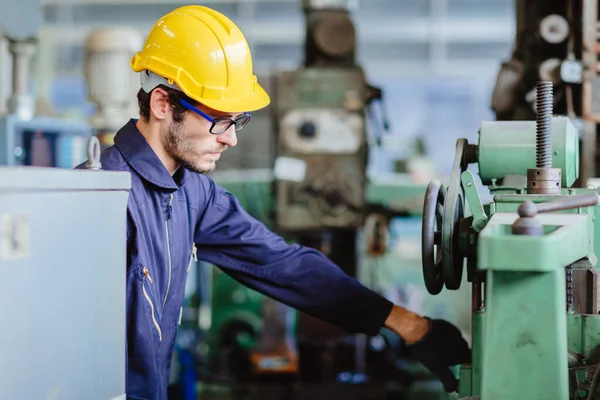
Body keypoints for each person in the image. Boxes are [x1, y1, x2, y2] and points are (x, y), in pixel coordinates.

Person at [78, 5, 470, 399]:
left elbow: (281, 264)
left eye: (237, 121)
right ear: (163, 104)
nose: (230, 139)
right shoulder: (94, 200)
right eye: (218, 121)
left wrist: (411, 325)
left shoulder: (190, 192)